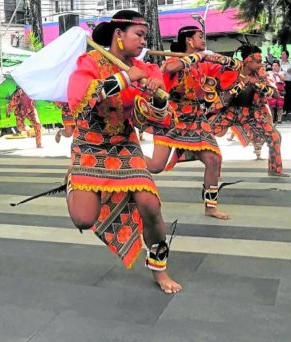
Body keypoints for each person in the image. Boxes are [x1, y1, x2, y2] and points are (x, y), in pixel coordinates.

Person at [67, 10, 180, 293]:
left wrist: (156, 98)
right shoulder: (90, 62)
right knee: (83, 219)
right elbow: (80, 99)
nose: (144, 42)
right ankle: (72, 179)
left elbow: (161, 121)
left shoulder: (150, 71)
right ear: (119, 35)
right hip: (89, 146)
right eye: (138, 35)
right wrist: (124, 79)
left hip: (125, 144)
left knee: (150, 206)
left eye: (145, 36)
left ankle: (159, 268)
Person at [144, 26, 242, 220]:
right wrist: (198, 56)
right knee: (156, 166)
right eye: (200, 37)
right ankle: (126, 162)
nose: (203, 40)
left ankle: (210, 207)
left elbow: (231, 72)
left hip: (196, 118)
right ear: (189, 40)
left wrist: (226, 60)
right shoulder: (175, 60)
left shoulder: (204, 64)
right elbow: (171, 69)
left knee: (214, 160)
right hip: (171, 117)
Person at [211, 45, 290, 178]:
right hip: (229, 112)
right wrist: (241, 84)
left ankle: (274, 169)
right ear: (248, 61)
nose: (261, 64)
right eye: (258, 62)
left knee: (275, 137)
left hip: (251, 115)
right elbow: (223, 98)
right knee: (204, 132)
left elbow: (276, 94)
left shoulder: (260, 75)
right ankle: (204, 161)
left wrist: (258, 85)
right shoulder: (231, 72)